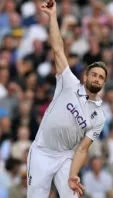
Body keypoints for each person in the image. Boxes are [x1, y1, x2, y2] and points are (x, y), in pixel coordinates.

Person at [27, 1, 107, 198]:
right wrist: (53, 16)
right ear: (86, 77)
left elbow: (82, 149)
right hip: (42, 151)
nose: (97, 78)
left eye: (101, 77)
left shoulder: (99, 117)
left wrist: (73, 174)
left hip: (66, 157)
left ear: (103, 83)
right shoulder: (68, 82)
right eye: (94, 74)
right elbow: (57, 48)